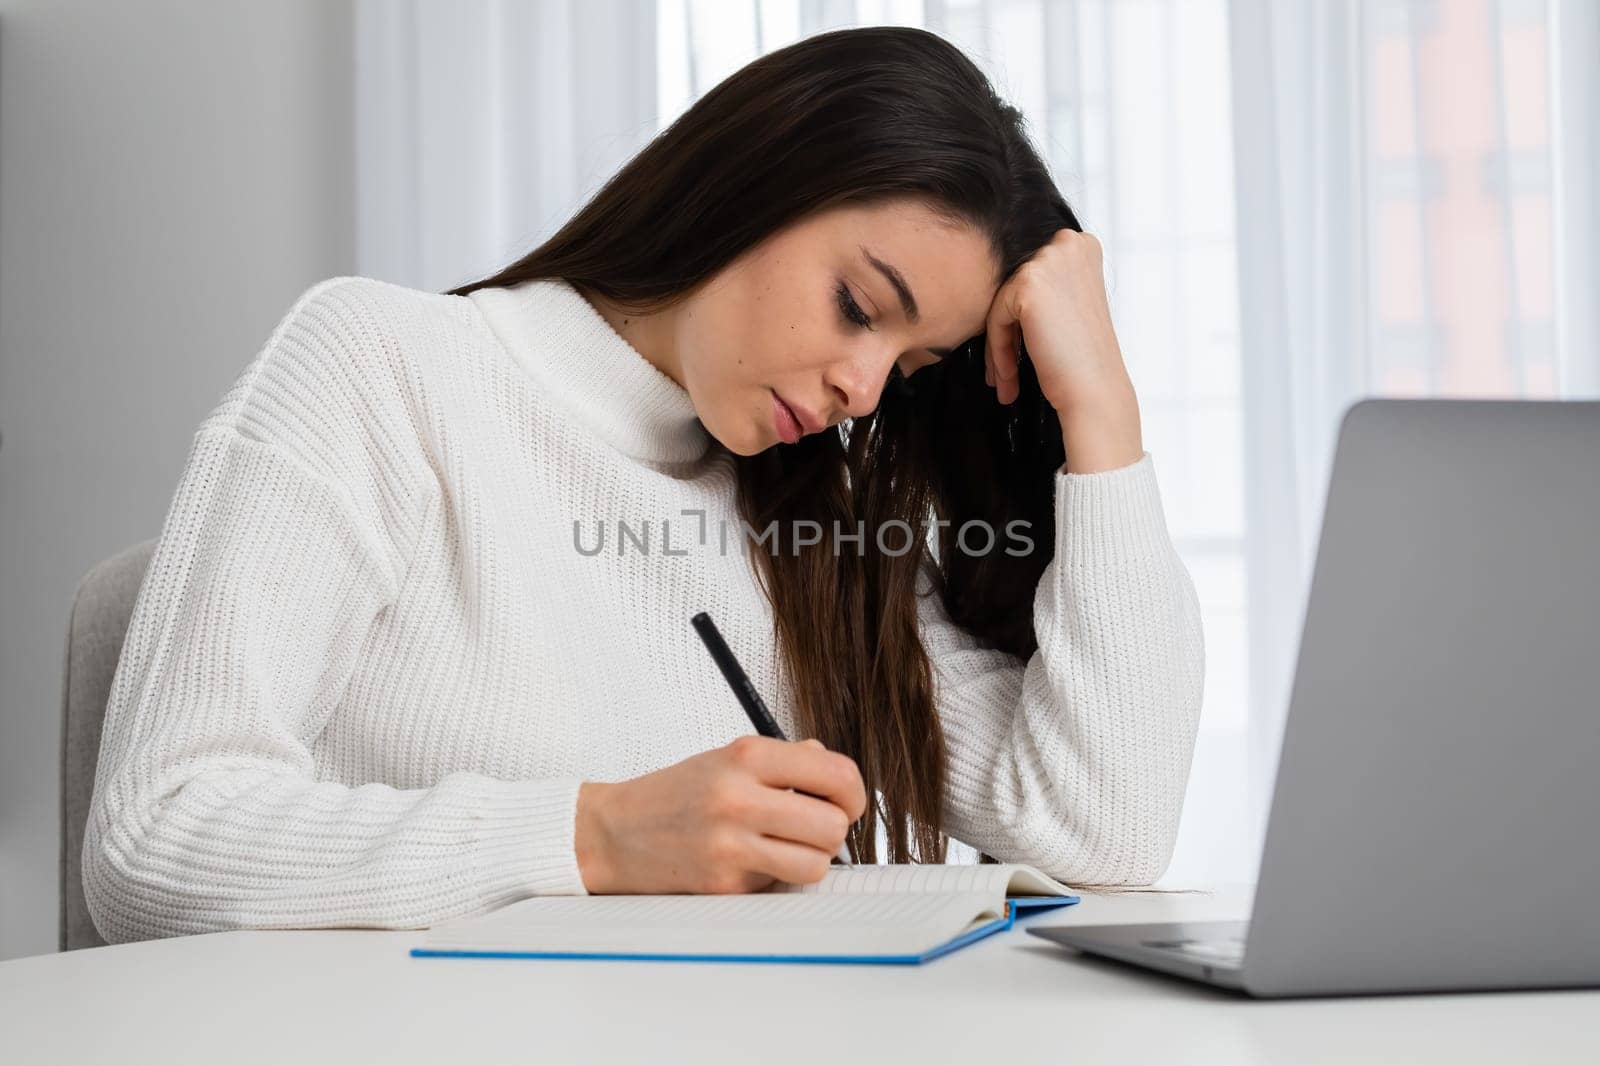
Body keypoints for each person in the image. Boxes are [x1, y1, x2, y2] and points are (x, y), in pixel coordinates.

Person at [83, 26, 1204, 942]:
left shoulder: (824, 527)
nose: (863, 389)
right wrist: (594, 836)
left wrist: (1102, 418)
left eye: (907, 368)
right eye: (859, 306)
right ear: (758, 181)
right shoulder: (382, 370)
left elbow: (1099, 835)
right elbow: (154, 839)